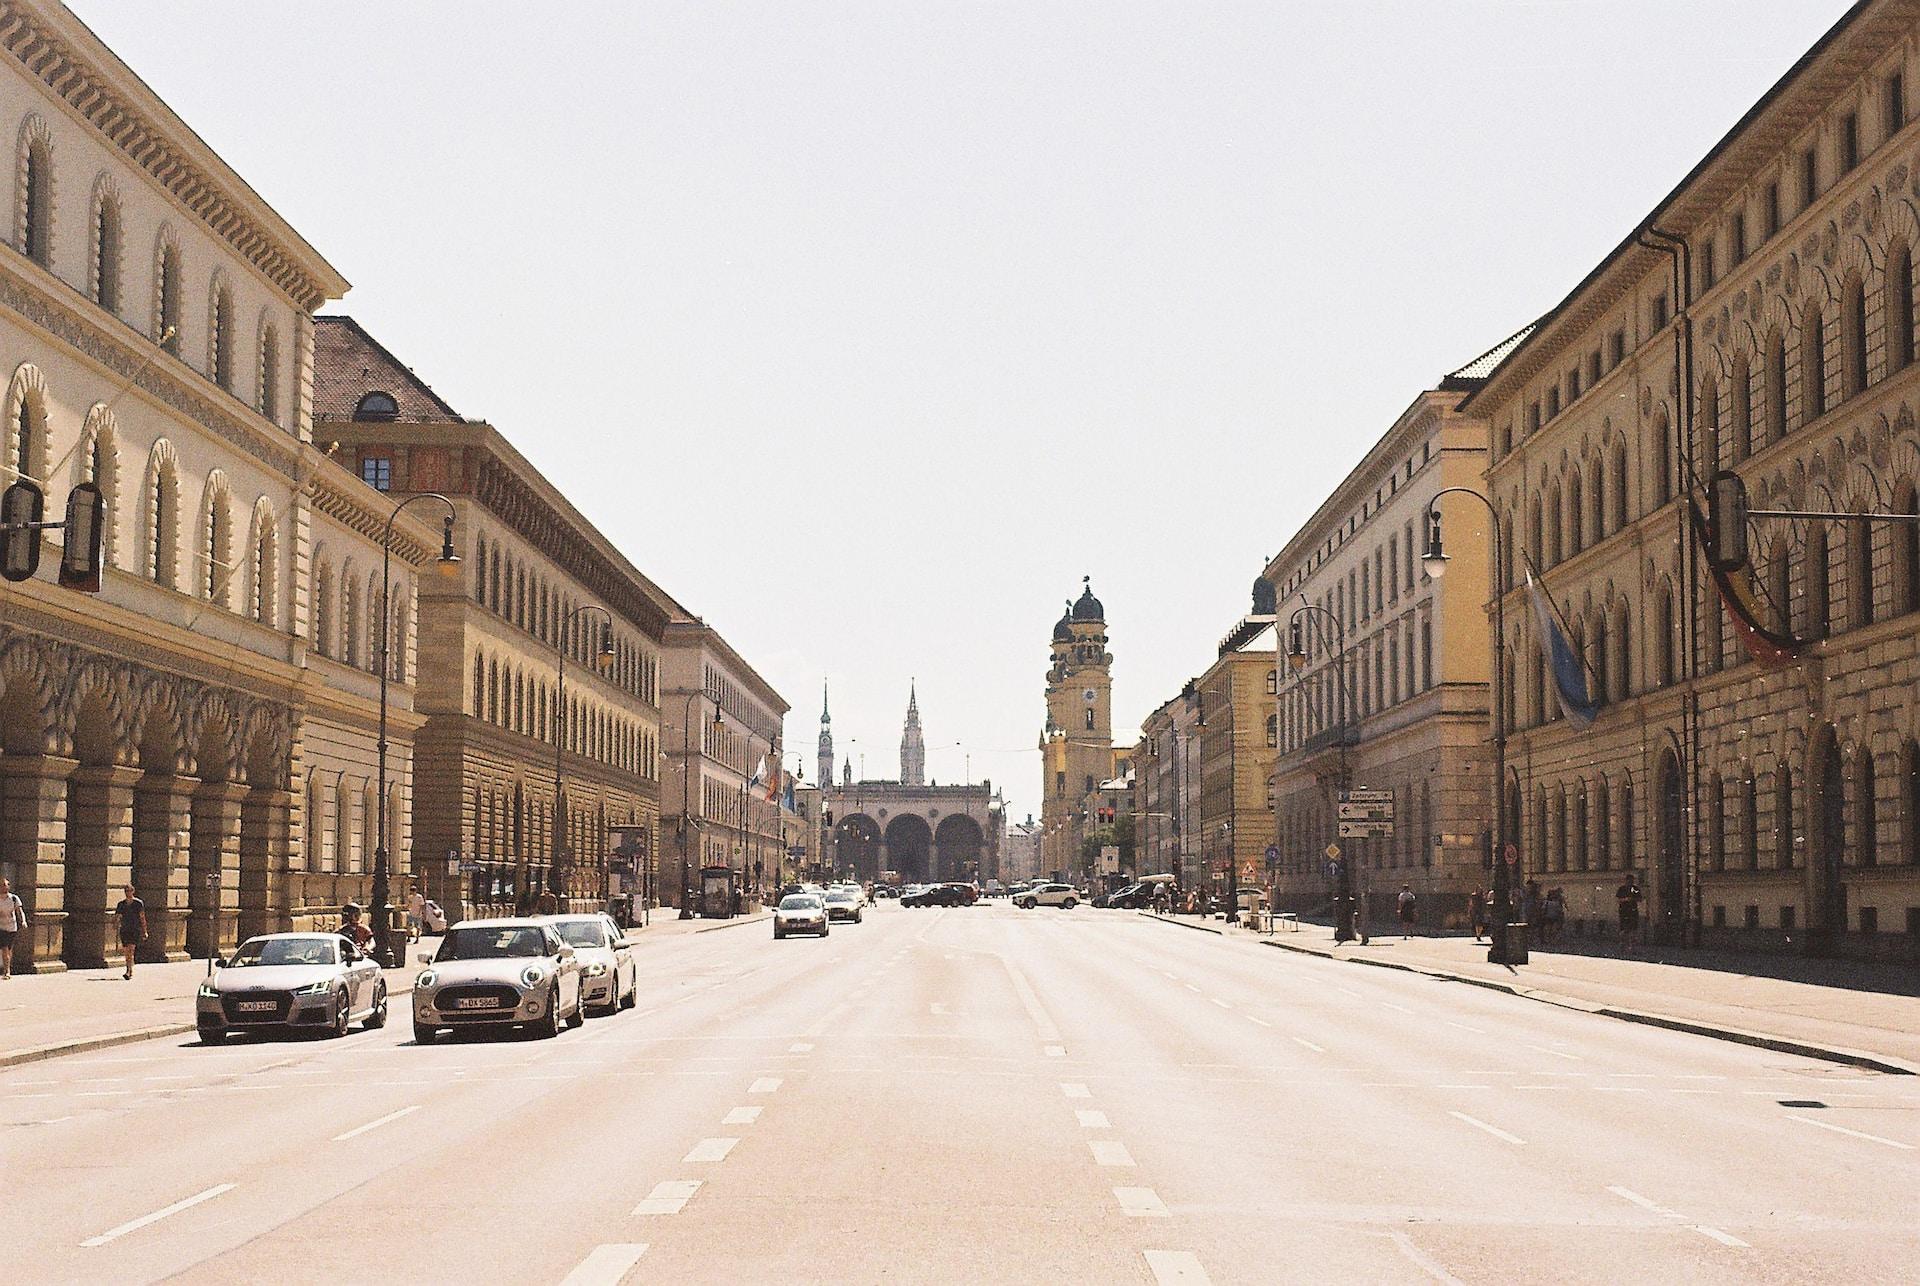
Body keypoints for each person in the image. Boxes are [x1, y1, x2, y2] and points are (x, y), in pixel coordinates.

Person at [113, 883, 146, 979]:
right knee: (126, 951)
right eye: (126, 891)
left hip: (135, 929)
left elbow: (142, 917)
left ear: (133, 891)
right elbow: (118, 916)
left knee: (131, 950)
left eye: (129, 891)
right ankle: (129, 966)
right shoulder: (121, 904)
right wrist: (115, 924)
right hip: (124, 929)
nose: (128, 893)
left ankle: (128, 971)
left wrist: (144, 931)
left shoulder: (138, 903)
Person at [0, 876, 25, 979]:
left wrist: (23, 921)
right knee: (5, 949)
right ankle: (7, 972)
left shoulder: (14, 898)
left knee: (9, 950)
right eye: (2, 885)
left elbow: (20, 912)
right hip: (1, 927)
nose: (4, 887)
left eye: (6, 885)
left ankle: (7, 968)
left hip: (12, 927)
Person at [1615, 874, 1642, 943]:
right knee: (1624, 929)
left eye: (1632, 881)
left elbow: (1640, 899)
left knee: (1633, 929)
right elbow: (1618, 900)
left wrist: (1633, 899)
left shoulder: (1635, 889)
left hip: (1633, 910)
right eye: (1629, 881)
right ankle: (1622, 943)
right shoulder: (1622, 889)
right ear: (1626, 881)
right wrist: (1626, 899)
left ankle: (1632, 946)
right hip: (1624, 910)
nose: (1631, 882)